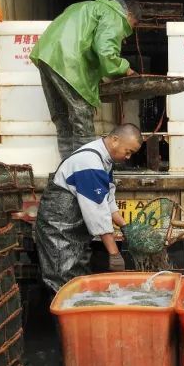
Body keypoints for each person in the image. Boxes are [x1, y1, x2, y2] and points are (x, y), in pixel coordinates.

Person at [35, 124, 144, 293]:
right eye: (128, 151)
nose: (128, 157)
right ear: (115, 140)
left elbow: (107, 200)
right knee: (63, 283)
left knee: (79, 280)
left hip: (73, 232)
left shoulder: (104, 160)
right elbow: (97, 213)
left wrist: (125, 226)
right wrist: (114, 254)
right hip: (58, 231)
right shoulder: (89, 162)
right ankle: (64, 319)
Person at [30, 0, 142, 159]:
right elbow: (106, 52)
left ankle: (67, 170)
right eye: (134, 25)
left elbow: (88, 45)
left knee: (62, 119)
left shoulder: (85, 7)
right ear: (129, 15)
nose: (130, 30)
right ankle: (85, 169)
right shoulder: (114, 15)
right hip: (68, 62)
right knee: (82, 117)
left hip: (46, 56)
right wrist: (126, 69)